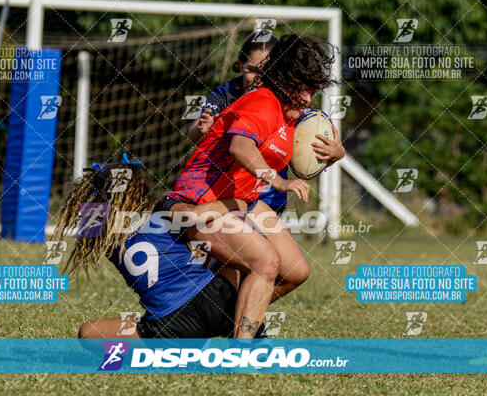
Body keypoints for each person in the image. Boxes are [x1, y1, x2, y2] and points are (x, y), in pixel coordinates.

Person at [163, 34, 343, 337]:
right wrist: (279, 181)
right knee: (266, 262)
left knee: (296, 271)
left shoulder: (289, 115)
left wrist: (335, 155)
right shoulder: (262, 102)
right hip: (201, 203)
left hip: (243, 202)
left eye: (312, 91)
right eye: (302, 89)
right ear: (284, 79)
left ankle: (223, 318)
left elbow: (302, 158)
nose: (308, 98)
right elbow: (240, 147)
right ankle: (240, 350)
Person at [53, 163, 261, 338]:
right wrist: (235, 202)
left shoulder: (104, 238)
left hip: (169, 327)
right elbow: (196, 220)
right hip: (218, 303)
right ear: (138, 190)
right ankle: (250, 328)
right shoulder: (162, 213)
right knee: (230, 253)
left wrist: (95, 189)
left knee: (88, 332)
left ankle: (173, 352)